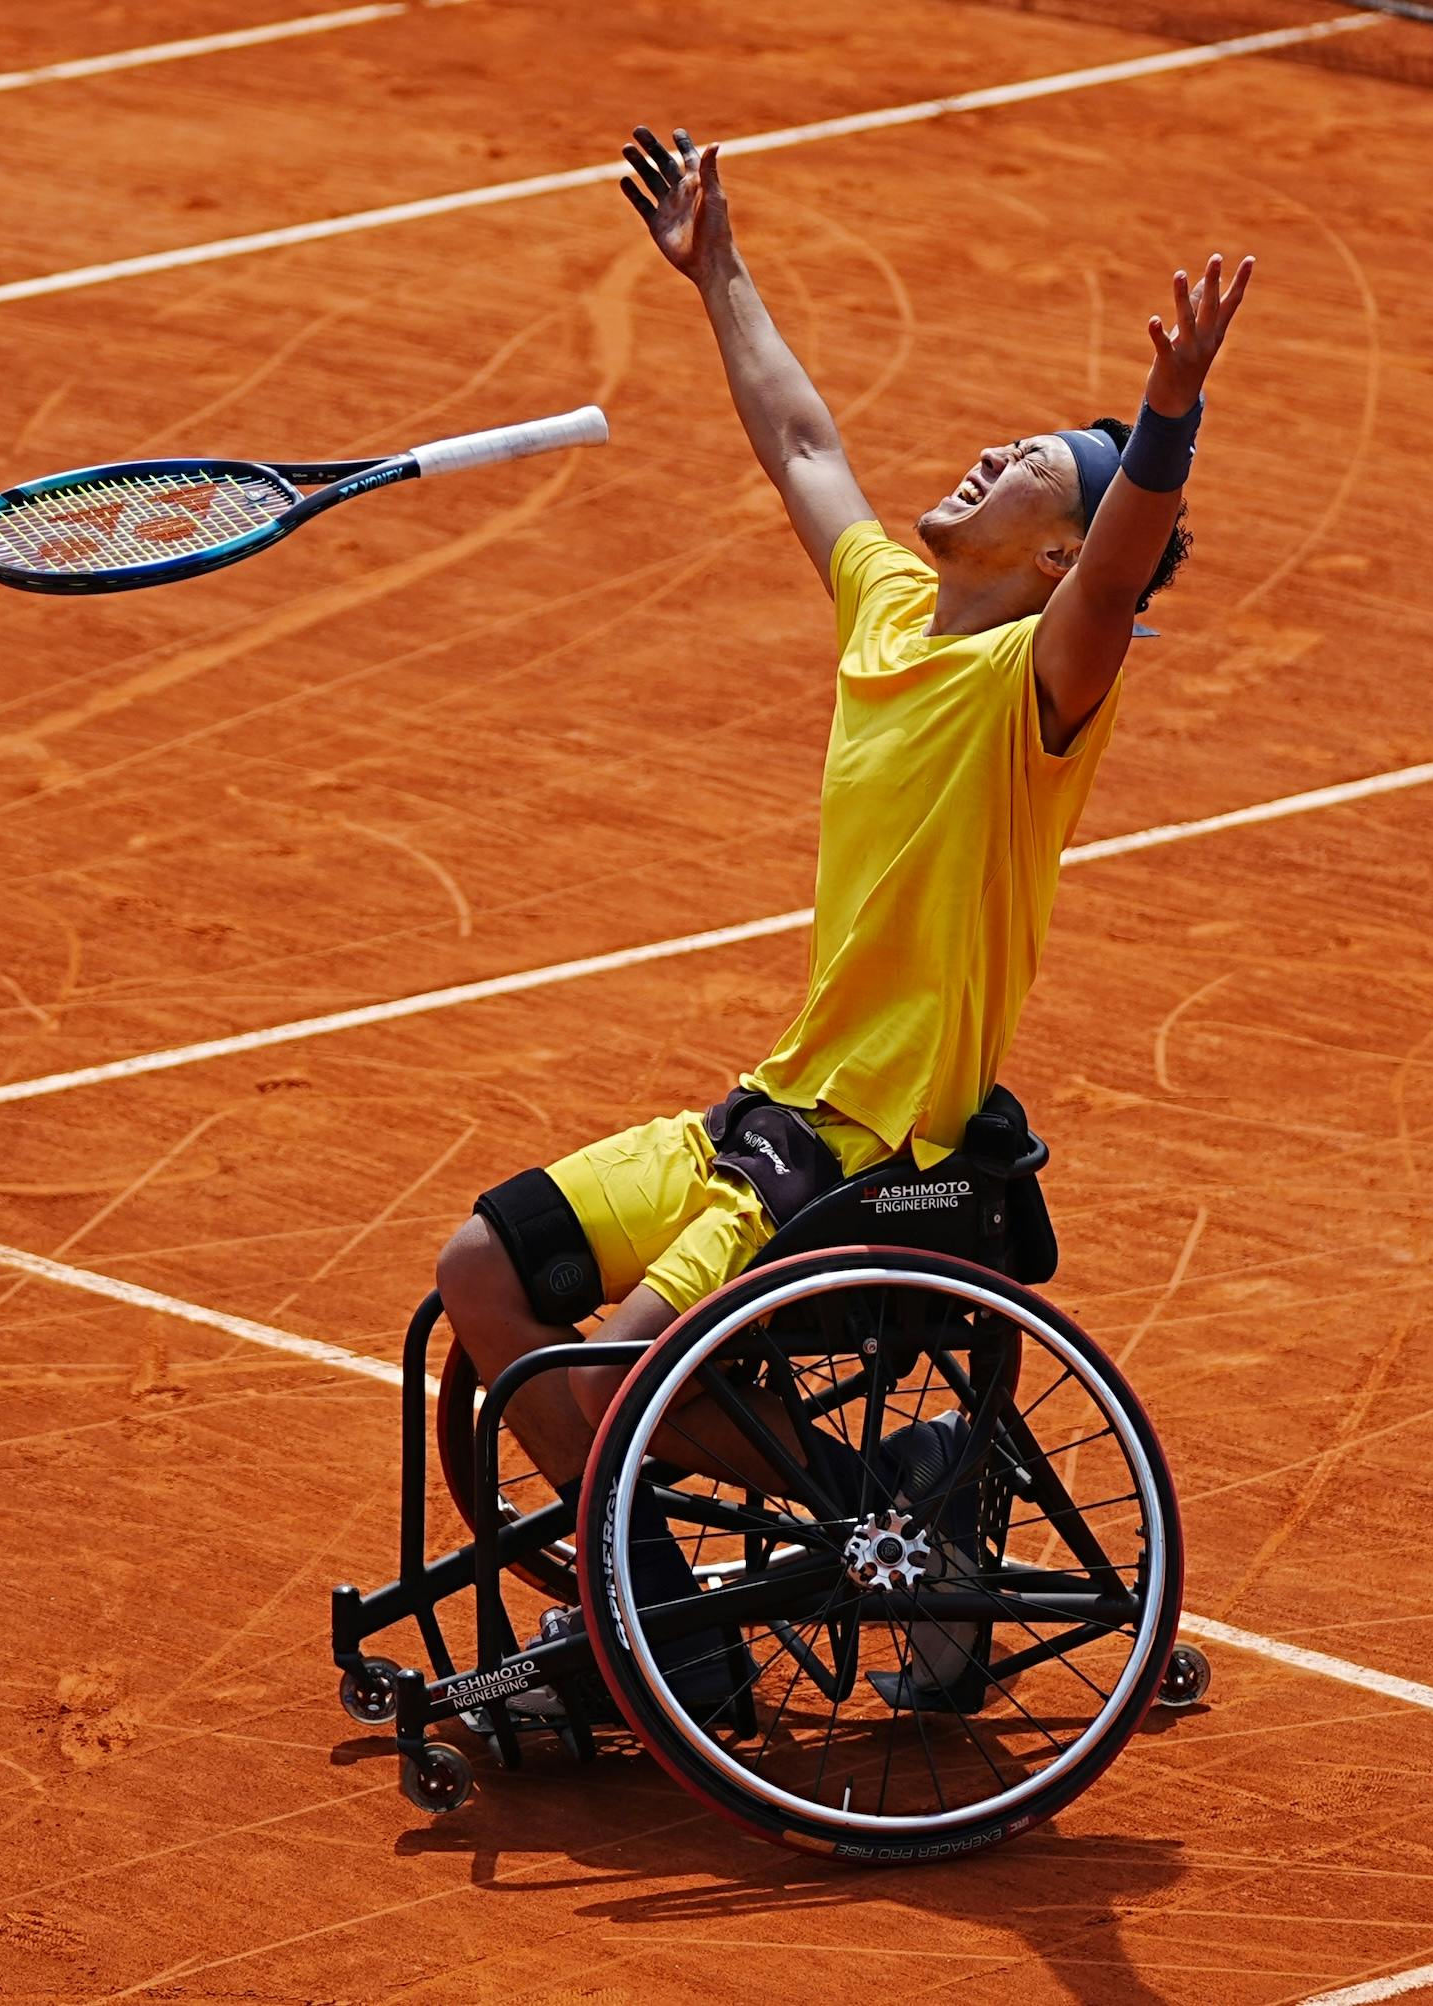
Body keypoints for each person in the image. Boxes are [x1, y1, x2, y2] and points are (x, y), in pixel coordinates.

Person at [435, 124, 1251, 1711]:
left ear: (1064, 553)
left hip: (879, 1141)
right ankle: (722, 1613)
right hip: (772, 1107)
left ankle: (787, 1577)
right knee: (485, 1274)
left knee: (609, 1376)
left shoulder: (1042, 685)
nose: (984, 457)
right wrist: (718, 269)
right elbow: (805, 443)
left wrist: (1168, 418)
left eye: (1024, 467)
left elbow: (1129, 554)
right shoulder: (889, 609)